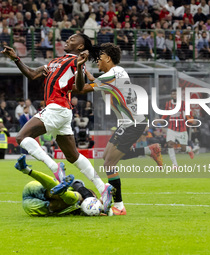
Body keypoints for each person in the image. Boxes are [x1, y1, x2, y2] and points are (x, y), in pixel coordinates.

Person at [1, 33, 115, 213]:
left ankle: (55, 168)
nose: (68, 39)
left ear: (80, 46)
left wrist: (79, 66)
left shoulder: (76, 60)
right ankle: (103, 188)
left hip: (57, 107)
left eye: (73, 39)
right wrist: (16, 59)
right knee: (73, 156)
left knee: (22, 137)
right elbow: (32, 74)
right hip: (62, 111)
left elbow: (78, 87)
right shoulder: (56, 61)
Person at [70, 43, 163, 215]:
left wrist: (74, 74)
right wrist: (86, 74)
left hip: (132, 123)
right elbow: (98, 84)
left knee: (109, 163)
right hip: (129, 122)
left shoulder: (112, 74)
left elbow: (81, 89)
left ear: (108, 58)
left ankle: (119, 206)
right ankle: (150, 151)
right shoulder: (115, 73)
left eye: (99, 57)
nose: (97, 60)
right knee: (107, 157)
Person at [15, 155, 103, 216]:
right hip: (36, 197)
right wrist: (88, 196)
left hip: (33, 205)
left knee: (64, 197)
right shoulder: (78, 187)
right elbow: (78, 185)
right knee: (72, 197)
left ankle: (26, 170)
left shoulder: (77, 206)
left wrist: (102, 209)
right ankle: (26, 170)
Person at [162, 89, 197, 168]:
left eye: (176, 94)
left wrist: (192, 119)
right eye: (173, 94)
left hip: (181, 129)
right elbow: (165, 113)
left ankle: (189, 149)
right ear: (171, 95)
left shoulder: (183, 103)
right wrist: (161, 119)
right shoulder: (168, 104)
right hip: (171, 128)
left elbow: (189, 112)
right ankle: (175, 164)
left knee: (183, 148)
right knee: (170, 145)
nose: (175, 96)